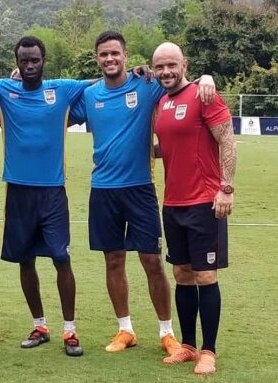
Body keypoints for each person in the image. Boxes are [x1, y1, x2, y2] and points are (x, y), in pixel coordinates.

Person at [70, 31, 215, 357]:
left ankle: (167, 331)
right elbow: (54, 106)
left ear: (125, 55)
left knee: (151, 260)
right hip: (103, 190)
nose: (110, 59)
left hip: (140, 189)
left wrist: (206, 77)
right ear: (97, 58)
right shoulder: (89, 95)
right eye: (103, 55)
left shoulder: (146, 84)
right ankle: (125, 329)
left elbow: (178, 82)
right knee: (113, 260)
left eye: (115, 54)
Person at [0, 36, 93, 357]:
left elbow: (101, 78)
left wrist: (139, 72)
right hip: (18, 192)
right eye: (24, 61)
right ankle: (40, 325)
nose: (30, 66)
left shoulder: (62, 89)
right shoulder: (3, 89)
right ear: (16, 62)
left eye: (35, 60)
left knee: (62, 259)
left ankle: (70, 331)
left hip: (52, 193)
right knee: (25, 259)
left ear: (44, 60)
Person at [152, 42, 236, 375]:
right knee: (182, 275)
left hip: (205, 203)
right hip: (172, 204)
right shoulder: (162, 101)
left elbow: (227, 140)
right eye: (159, 67)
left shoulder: (205, 95)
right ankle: (187, 346)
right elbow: (169, 147)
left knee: (205, 275)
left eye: (171, 65)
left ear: (183, 63)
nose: (166, 72)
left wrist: (226, 189)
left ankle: (208, 351)